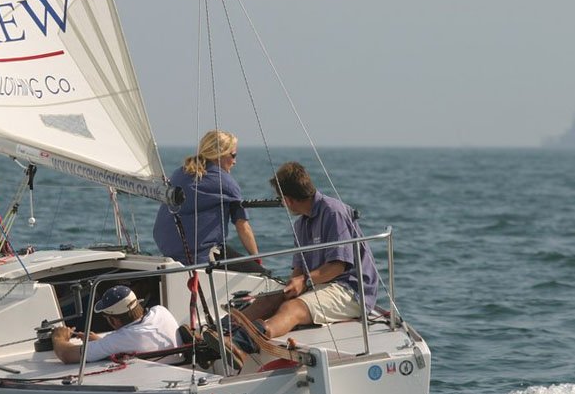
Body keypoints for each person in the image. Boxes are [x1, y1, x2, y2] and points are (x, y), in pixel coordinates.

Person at [206, 161, 378, 355]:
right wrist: (293, 285)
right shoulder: (301, 225)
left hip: (351, 290)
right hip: (320, 284)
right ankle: (217, 332)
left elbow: (337, 267)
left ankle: (240, 342)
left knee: (292, 307)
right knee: (268, 300)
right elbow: (299, 269)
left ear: (287, 200)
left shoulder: (333, 212)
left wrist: (303, 281)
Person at [152, 129, 265, 273]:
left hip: (169, 251)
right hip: (200, 256)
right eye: (233, 155)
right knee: (263, 275)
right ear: (219, 155)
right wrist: (257, 261)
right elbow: (242, 227)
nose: (235, 161)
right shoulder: (225, 182)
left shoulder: (179, 173)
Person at [51, 285, 184, 364]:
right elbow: (129, 342)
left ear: (114, 321)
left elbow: (66, 354)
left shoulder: (120, 339)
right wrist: (99, 342)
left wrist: (59, 337)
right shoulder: (161, 311)